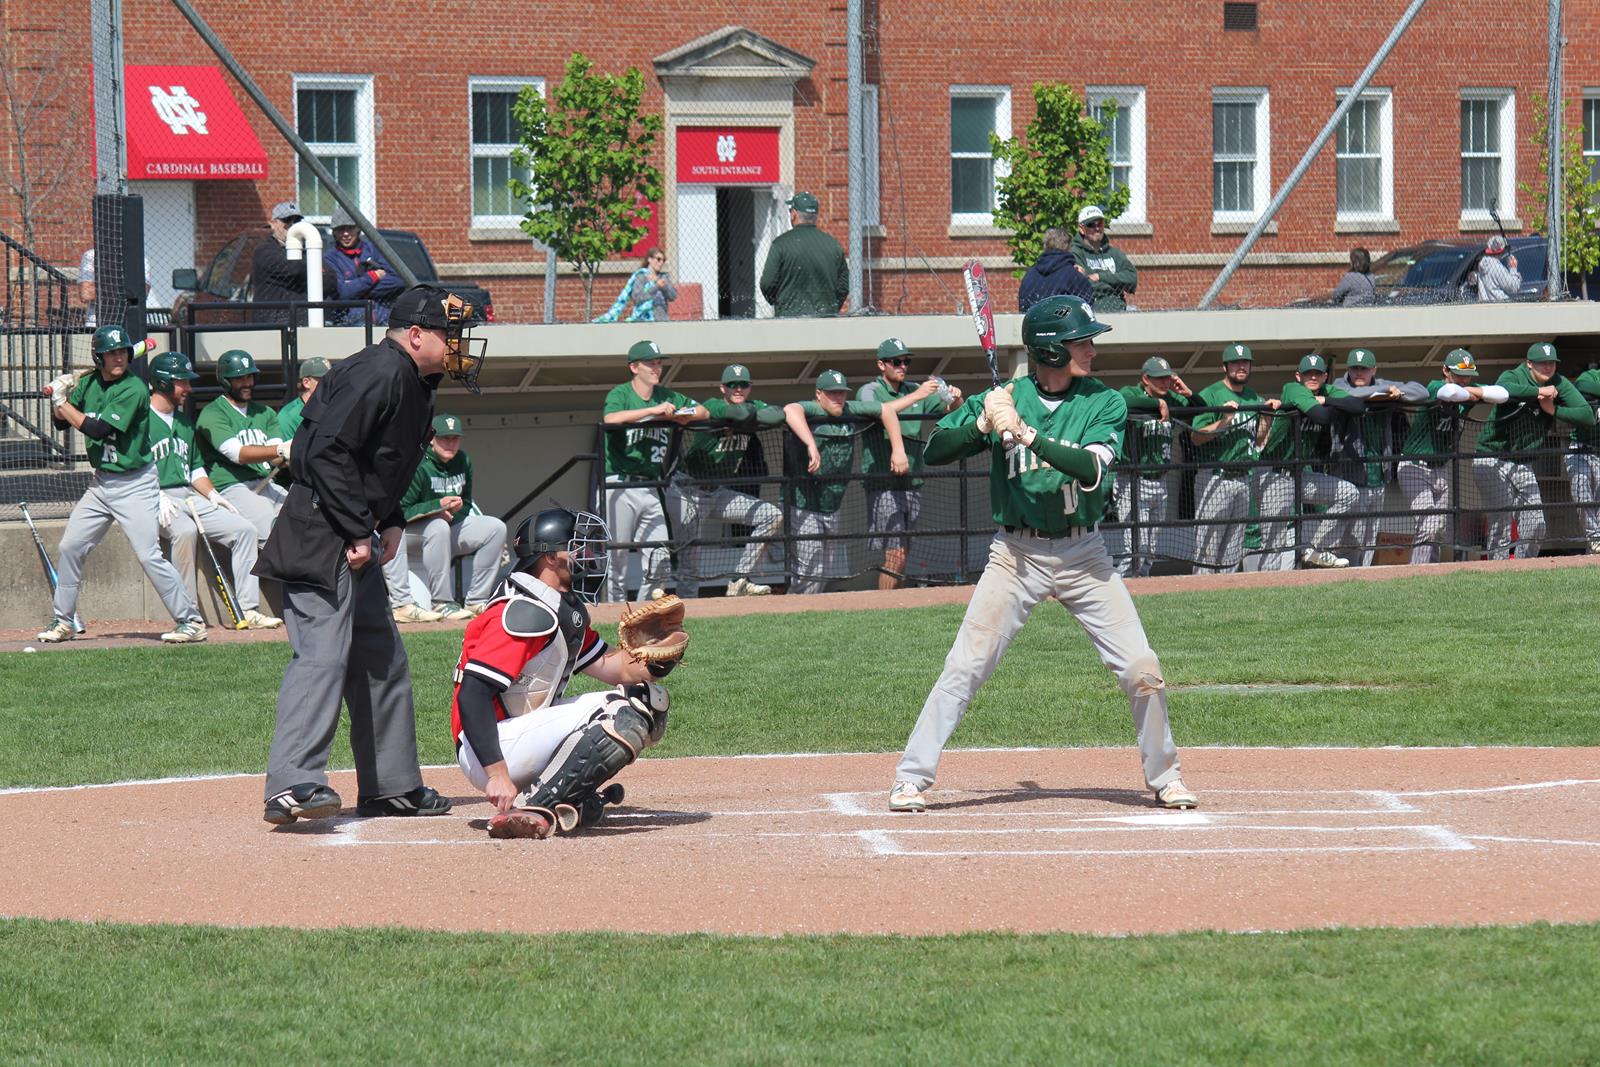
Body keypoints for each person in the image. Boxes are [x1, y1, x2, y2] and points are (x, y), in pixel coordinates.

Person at [887, 295, 1195, 814]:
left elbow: (1092, 470)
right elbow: (934, 449)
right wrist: (982, 425)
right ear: (1051, 352)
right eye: (1082, 342)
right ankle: (911, 777)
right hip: (1015, 554)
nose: (1092, 350)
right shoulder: (1005, 395)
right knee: (965, 666)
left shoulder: (1104, 401)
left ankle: (1166, 776)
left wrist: (1027, 433)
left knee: (1142, 666)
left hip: (1085, 554)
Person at [254, 283, 487, 825]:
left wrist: (391, 519)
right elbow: (321, 453)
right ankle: (292, 783)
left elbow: (379, 465)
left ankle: (390, 786)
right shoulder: (379, 372)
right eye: (449, 333)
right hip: (319, 532)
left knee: (379, 655)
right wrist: (360, 527)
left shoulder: (413, 379)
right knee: (322, 655)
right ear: (414, 335)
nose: (459, 344)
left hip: (353, 529)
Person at [450, 507, 672, 839]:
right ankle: (539, 804)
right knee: (620, 712)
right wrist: (496, 774)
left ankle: (567, 798)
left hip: (515, 736)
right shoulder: (524, 613)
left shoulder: (556, 608)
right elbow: (472, 693)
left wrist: (657, 658)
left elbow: (613, 667)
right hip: (489, 747)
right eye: (578, 546)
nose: (589, 556)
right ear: (550, 558)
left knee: (647, 699)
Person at [36, 326, 206, 644]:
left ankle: (191, 620)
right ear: (99, 357)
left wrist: (63, 401)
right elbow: (61, 423)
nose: (119, 357)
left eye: (123, 352)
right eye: (112, 353)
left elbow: (98, 429)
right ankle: (64, 620)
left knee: (148, 554)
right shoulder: (88, 383)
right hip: (101, 484)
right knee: (70, 546)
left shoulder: (134, 388)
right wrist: (59, 401)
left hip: (135, 483)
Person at [147, 351, 282, 629]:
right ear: (163, 383)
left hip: (188, 495)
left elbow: (195, 468)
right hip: (152, 496)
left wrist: (212, 495)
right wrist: (155, 493)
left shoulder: (184, 422)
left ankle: (249, 608)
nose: (189, 388)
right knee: (185, 532)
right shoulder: (142, 421)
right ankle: (189, 616)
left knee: (244, 530)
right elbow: (132, 465)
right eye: (182, 382)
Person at [782, 370, 908, 594]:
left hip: (833, 504)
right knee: (810, 570)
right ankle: (795, 614)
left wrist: (898, 450)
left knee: (824, 570)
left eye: (841, 393)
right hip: (803, 502)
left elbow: (886, 409)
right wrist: (811, 444)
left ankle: (805, 616)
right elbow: (790, 410)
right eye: (832, 394)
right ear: (819, 394)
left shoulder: (849, 409)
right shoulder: (814, 408)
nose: (838, 398)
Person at [600, 340, 708, 601]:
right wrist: (652, 412)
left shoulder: (667, 396)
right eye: (650, 363)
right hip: (619, 484)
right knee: (617, 559)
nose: (657, 368)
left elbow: (703, 411)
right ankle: (616, 614)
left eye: (659, 363)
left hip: (651, 485)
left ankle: (643, 613)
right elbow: (610, 419)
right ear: (634, 367)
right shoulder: (621, 394)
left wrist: (681, 413)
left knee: (660, 558)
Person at [856, 338, 963, 590]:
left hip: (912, 481)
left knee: (903, 551)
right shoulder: (870, 389)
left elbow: (951, 409)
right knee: (895, 554)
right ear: (882, 365)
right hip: (883, 482)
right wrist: (918, 394)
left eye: (906, 361)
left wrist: (956, 397)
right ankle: (884, 606)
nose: (902, 366)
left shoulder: (913, 388)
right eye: (896, 361)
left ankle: (894, 604)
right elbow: (879, 410)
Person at [670, 363, 786, 597]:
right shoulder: (714, 404)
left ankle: (739, 578)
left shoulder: (751, 405)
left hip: (718, 492)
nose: (738, 389)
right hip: (688, 490)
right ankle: (687, 608)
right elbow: (739, 413)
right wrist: (748, 418)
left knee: (772, 515)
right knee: (689, 560)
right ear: (723, 388)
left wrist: (747, 419)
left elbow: (778, 413)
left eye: (743, 385)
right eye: (732, 385)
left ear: (749, 387)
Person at [1472, 341, 1595, 560]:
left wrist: (1553, 409)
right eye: (1541, 363)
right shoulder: (1515, 375)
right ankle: (1495, 576)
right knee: (1500, 524)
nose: (1548, 368)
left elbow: (1586, 415)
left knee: (1536, 525)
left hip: (1524, 461)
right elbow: (1504, 389)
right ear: (1529, 364)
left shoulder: (1559, 382)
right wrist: (1538, 392)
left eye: (1551, 363)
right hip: (1490, 457)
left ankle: (1521, 569)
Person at [382, 413, 508, 621]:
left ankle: (477, 599)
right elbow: (400, 512)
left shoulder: (462, 460)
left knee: (496, 528)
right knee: (437, 525)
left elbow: (466, 503)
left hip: (442, 532)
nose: (450, 443)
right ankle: (442, 602)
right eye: (444, 438)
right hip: (408, 536)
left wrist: (454, 509)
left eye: (454, 438)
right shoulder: (419, 464)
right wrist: (436, 507)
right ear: (431, 439)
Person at [1395, 350, 1509, 565]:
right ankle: (1417, 572)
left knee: (1439, 529)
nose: (1464, 380)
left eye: (1467, 376)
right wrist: (1476, 393)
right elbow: (1449, 393)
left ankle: (1432, 571)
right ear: (1445, 370)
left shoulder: (1467, 390)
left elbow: (1502, 394)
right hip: (1414, 466)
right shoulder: (1434, 386)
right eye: (1458, 374)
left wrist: (1474, 391)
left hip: (1441, 468)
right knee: (1429, 525)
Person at [1258, 354, 1363, 570]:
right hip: (1273, 473)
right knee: (1274, 544)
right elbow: (1321, 417)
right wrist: (1335, 407)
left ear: (1325, 376)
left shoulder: (1326, 392)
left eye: (1317, 373)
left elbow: (1358, 405)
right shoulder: (1293, 389)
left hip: (1298, 475)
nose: (1313, 377)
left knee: (1348, 493)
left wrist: (1328, 401)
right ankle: (1267, 589)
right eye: (1308, 373)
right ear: (1298, 376)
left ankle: (1316, 549)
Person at [1328, 348, 1428, 565]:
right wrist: (1382, 391)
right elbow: (1350, 396)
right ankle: (1342, 579)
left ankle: (1362, 578)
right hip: (1348, 479)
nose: (1359, 373)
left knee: (1370, 536)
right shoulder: (1339, 385)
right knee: (1348, 537)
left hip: (1378, 476)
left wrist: (1398, 393)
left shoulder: (1383, 383)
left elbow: (1421, 391)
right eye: (1355, 368)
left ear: (1373, 369)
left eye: (1364, 369)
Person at [1188, 343, 1278, 572]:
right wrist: (1225, 420)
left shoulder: (1252, 396)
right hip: (1215, 477)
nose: (1241, 366)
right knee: (1208, 547)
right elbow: (1196, 437)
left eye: (1245, 363)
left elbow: (1258, 441)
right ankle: (1200, 594)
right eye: (1236, 363)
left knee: (1232, 549)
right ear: (1224, 366)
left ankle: (1224, 595)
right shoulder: (1211, 394)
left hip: (1242, 479)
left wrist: (1267, 416)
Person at [194, 349, 289, 542]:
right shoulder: (213, 413)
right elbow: (239, 454)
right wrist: (281, 449)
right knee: (271, 530)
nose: (248, 384)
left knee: (300, 513)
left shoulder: (265, 413)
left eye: (250, 377)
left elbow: (275, 458)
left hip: (265, 482)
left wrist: (293, 453)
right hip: (231, 486)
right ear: (226, 380)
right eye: (240, 379)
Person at [1114, 356, 1196, 576]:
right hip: (1132, 479)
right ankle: (1125, 584)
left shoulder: (1171, 398)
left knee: (1150, 548)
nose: (1164, 383)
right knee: (1135, 546)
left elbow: (1199, 411)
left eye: (1166, 378)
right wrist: (1156, 404)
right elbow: (1121, 401)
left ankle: (1143, 587)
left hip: (1160, 481)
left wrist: (1188, 394)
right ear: (1145, 379)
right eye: (1158, 379)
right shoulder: (1131, 392)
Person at [758, 191, 848, 318]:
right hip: (825, 318)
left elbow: (767, 283)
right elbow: (843, 286)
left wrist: (779, 303)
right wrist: (831, 307)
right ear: (816, 215)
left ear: (794, 214)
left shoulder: (780, 244)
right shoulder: (833, 245)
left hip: (789, 318)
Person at [324, 204, 404, 325]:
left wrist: (357, 288)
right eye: (341, 229)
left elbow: (399, 280)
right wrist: (373, 277)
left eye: (350, 228)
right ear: (334, 232)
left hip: (384, 318)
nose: (346, 234)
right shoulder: (330, 258)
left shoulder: (374, 249)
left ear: (358, 229)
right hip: (350, 323)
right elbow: (342, 292)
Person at [251, 200, 314, 324]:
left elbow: (330, 279)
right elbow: (293, 269)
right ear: (273, 223)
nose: (292, 225)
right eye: (286, 220)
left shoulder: (309, 248)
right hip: (271, 322)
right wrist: (312, 267)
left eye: (296, 221)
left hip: (302, 320)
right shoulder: (264, 250)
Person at [1069, 205, 1137, 313]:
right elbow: (1083, 285)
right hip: (1091, 311)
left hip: (1118, 309)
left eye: (1100, 224)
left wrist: (1100, 276)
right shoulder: (1075, 253)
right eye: (1091, 225)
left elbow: (1132, 278)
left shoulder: (1114, 253)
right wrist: (1116, 285)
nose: (1097, 228)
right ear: (1082, 229)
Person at [1017, 226, 1095, 311]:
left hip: (1032, 322)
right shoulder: (1073, 277)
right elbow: (1089, 303)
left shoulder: (1029, 276)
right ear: (1068, 247)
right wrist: (1083, 277)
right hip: (1063, 322)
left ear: (1045, 246)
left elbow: (1023, 305)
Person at [1566, 363, 1600, 555]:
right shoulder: (1592, 375)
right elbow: (1581, 386)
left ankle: (1595, 549)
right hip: (1580, 448)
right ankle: (1595, 538)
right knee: (1582, 492)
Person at [594, 248, 678, 323]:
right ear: (650, 259)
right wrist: (656, 287)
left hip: (661, 319)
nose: (661, 262)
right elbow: (637, 298)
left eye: (663, 260)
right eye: (658, 259)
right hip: (643, 320)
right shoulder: (641, 276)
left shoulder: (664, 277)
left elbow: (673, 296)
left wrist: (663, 286)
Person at [275, 357, 331, 440]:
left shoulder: (334, 406)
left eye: (331, 379)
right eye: (324, 380)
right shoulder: (289, 415)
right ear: (306, 382)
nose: (329, 383)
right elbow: (288, 450)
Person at [1476, 236, 1522, 302]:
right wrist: (1513, 268)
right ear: (1502, 250)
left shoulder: (1482, 264)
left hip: (1484, 304)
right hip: (1500, 304)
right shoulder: (1497, 267)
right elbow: (1513, 288)